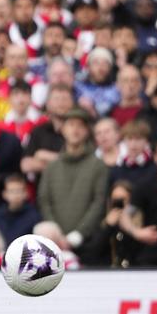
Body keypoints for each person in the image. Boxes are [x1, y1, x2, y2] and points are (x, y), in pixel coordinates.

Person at [37, 108, 109, 261]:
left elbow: (99, 202)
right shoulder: (52, 167)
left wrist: (79, 234)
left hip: (89, 245)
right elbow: (44, 201)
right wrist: (57, 234)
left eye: (80, 126)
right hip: (54, 245)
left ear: (87, 131)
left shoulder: (98, 165)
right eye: (70, 125)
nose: (75, 130)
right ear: (63, 130)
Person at [0, 173, 40, 245]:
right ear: (4, 194)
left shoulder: (35, 216)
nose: (16, 195)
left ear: (26, 193)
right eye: (12, 191)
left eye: (19, 191)